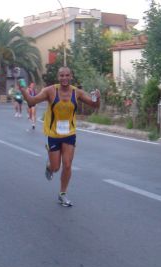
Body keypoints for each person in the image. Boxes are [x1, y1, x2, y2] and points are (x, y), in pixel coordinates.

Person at [19, 66, 100, 207]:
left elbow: (94, 105)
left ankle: (62, 194)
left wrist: (97, 97)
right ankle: (50, 166)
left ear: (71, 76)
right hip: (53, 134)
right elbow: (32, 101)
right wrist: (23, 91)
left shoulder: (77, 92)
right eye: (61, 75)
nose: (64, 78)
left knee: (67, 165)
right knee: (56, 167)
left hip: (69, 133)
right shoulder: (50, 91)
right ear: (58, 77)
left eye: (67, 75)